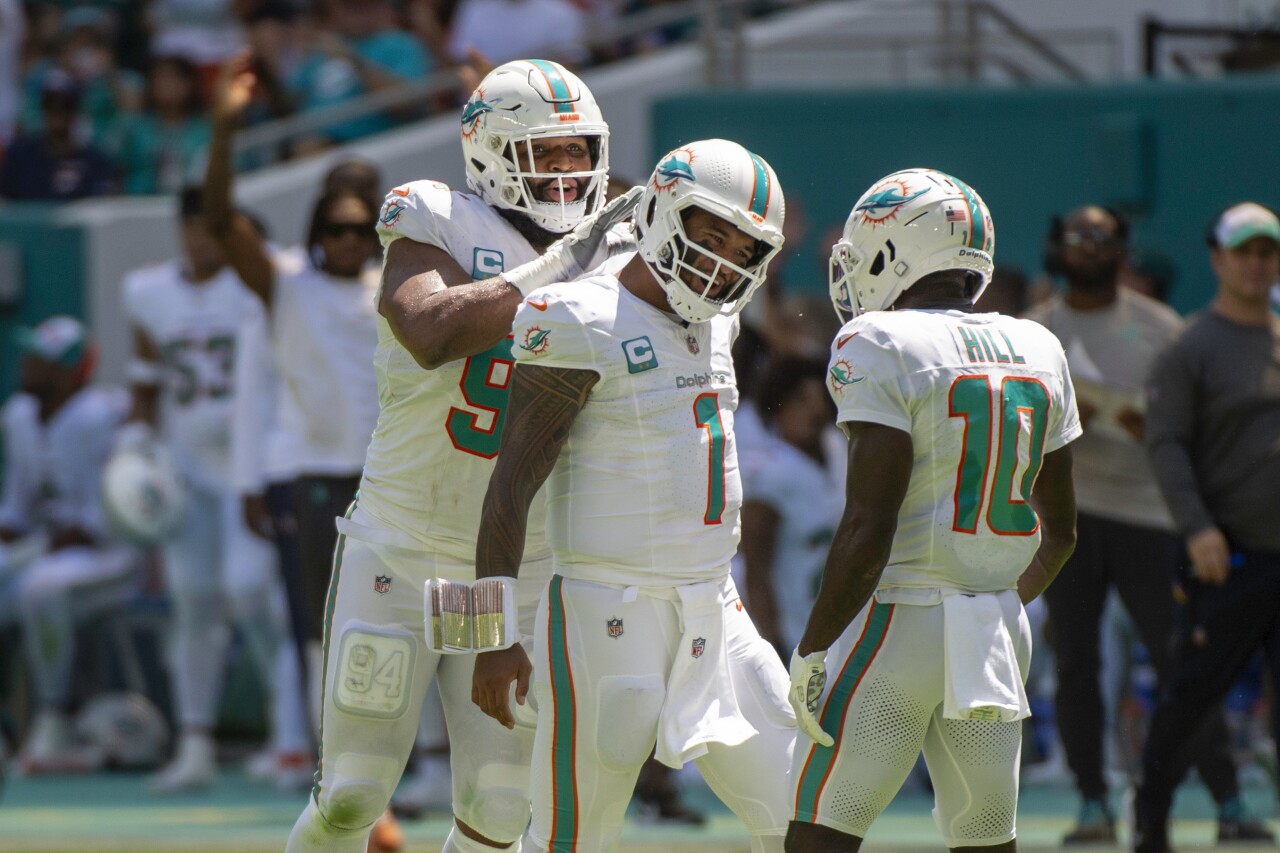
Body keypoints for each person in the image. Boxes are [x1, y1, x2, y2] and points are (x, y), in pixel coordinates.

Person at [285, 58, 633, 853]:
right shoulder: (434, 216)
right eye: (545, 151)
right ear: (493, 154)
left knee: (499, 805)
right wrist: (569, 262)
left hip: (503, 567)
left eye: (578, 149)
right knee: (352, 793)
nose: (567, 169)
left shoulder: (613, 248)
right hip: (404, 545)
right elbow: (431, 331)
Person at [472, 138, 798, 853]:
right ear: (660, 214)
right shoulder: (577, 315)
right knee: (566, 837)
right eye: (711, 237)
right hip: (605, 608)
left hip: (715, 603)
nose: (722, 263)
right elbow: (509, 483)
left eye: (743, 251)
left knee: (805, 819)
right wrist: (490, 637)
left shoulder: (719, 317)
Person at [784, 168, 1080, 853]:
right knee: (985, 837)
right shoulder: (1040, 345)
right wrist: (989, 597)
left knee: (821, 830)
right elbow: (1061, 531)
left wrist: (813, 645)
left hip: (899, 617)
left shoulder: (879, 341)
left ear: (894, 252)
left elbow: (869, 525)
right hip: (996, 628)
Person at [1026, 205, 1268, 845]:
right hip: (1068, 513)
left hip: (1150, 513)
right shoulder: (1033, 331)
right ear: (1056, 247)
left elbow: (1188, 427)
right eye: (1076, 236)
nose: (1088, 247)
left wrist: (1145, 423)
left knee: (1181, 661)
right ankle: (1092, 802)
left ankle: (1228, 798)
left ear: (1121, 250)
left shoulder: (1163, 329)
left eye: (1101, 238)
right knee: (1076, 663)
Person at [121, 186, 307, 793]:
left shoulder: (258, 280)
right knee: (193, 601)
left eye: (212, 226)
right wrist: (137, 444)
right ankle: (195, 743)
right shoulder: (148, 291)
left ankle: (289, 728)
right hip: (186, 467)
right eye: (193, 226)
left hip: (249, 463)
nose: (202, 238)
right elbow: (146, 379)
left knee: (250, 591)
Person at [1131, 202, 1280, 853]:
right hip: (1226, 553)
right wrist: (1196, 527)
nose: (1256, 264)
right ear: (1218, 260)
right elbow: (1165, 444)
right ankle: (1150, 813)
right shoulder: (1191, 345)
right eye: (1243, 251)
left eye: (1267, 252)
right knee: (1193, 692)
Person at [0, 316, 139, 773]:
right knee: (32, 578)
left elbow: (106, 516)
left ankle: (52, 713)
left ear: (71, 372)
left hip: (109, 556)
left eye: (42, 359)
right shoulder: (19, 415)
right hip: (44, 550)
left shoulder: (102, 415)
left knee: (42, 587)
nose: (28, 365)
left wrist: (44, 541)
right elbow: (17, 508)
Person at [740, 355, 844, 654]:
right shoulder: (771, 470)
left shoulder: (839, 452)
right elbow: (756, 570)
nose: (816, 409)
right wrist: (773, 646)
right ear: (778, 404)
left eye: (821, 397)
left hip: (839, 630)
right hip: (794, 630)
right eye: (801, 399)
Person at [0, 69, 114, 200]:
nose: (57, 111)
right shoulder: (19, 157)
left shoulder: (95, 162)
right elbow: (4, 202)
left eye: (66, 105)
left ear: (76, 110)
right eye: (50, 105)